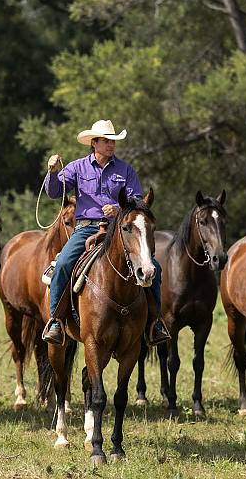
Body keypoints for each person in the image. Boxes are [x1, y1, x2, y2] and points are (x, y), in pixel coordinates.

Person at [42, 119, 170, 347]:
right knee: (62, 264)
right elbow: (54, 193)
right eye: (107, 141)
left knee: (155, 267)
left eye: (113, 141)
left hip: (120, 228)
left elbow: (138, 202)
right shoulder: (77, 167)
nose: (111, 145)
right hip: (86, 227)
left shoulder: (126, 170)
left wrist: (120, 209)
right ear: (94, 143)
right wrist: (52, 173)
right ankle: (56, 321)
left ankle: (155, 323)